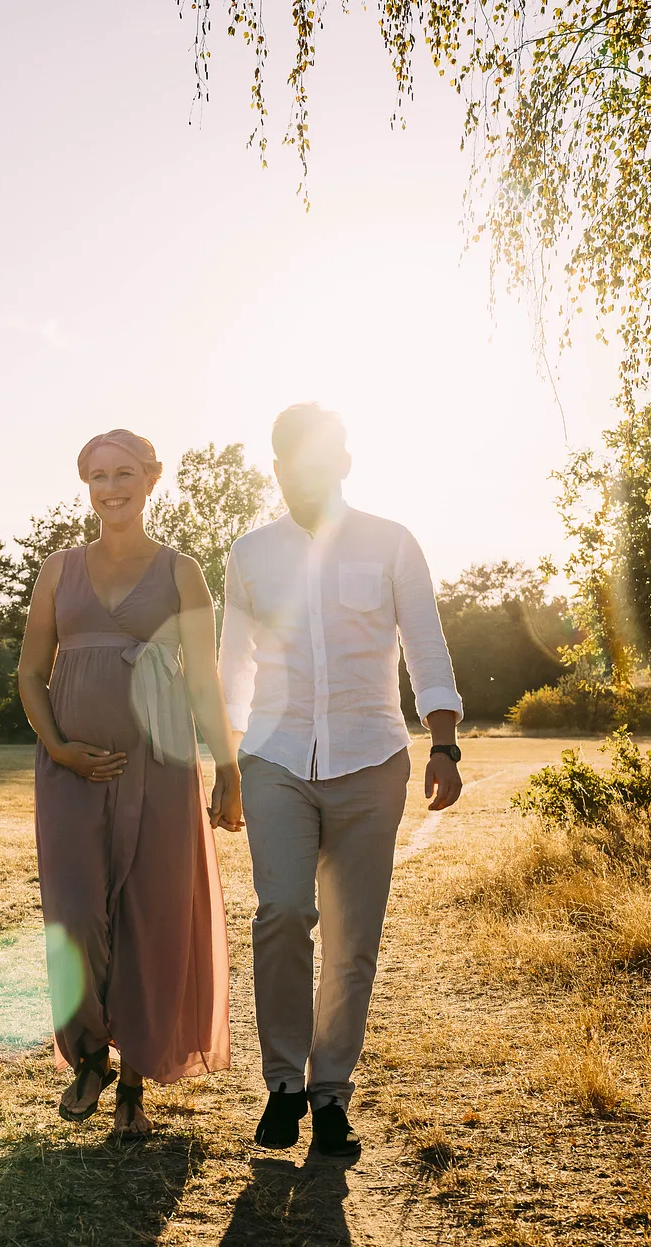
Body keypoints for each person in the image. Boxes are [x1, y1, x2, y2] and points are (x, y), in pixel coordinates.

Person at [218, 404, 463, 1156]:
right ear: (277, 470)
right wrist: (226, 763)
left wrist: (444, 742)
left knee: (353, 939)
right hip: (275, 757)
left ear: (345, 464)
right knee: (284, 913)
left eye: (320, 461)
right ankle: (283, 1085)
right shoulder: (251, 553)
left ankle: (330, 1096)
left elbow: (424, 640)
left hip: (370, 758)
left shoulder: (391, 543)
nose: (304, 475)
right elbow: (234, 663)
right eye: (291, 463)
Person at [18, 428, 242, 1137]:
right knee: (76, 916)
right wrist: (59, 748)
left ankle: (135, 1087)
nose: (110, 489)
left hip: (163, 762)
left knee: (152, 916)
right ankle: (89, 1055)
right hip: (69, 769)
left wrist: (228, 766)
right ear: (86, 486)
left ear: (151, 479)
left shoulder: (183, 571)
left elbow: (203, 681)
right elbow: (30, 671)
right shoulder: (59, 570)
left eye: (123, 475)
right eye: (97, 477)